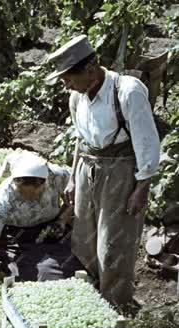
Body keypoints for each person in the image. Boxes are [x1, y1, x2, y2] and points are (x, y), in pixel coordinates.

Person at [44, 35, 161, 307]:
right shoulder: (77, 97)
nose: (65, 85)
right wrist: (73, 177)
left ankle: (116, 304)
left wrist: (141, 188)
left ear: (89, 69)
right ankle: (93, 293)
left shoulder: (127, 92)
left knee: (114, 243)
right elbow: (80, 139)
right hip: (87, 167)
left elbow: (146, 141)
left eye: (68, 78)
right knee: (84, 238)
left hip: (120, 171)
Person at [0, 153, 84, 306]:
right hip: (16, 237)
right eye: (23, 194)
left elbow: (77, 193)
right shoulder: (3, 199)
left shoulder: (58, 176)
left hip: (51, 230)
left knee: (71, 265)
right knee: (30, 274)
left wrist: (63, 219)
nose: (29, 199)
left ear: (44, 183)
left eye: (34, 194)